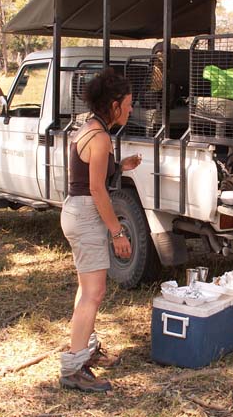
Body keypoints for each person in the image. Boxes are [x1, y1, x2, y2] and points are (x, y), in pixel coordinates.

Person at [59, 68, 142, 392]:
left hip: (78, 212)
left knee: (87, 290)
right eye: (129, 103)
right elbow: (96, 189)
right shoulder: (101, 136)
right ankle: (73, 368)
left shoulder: (90, 129)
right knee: (94, 294)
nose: (131, 109)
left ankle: (87, 350)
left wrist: (120, 166)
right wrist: (117, 233)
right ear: (114, 104)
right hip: (85, 215)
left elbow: (91, 174)